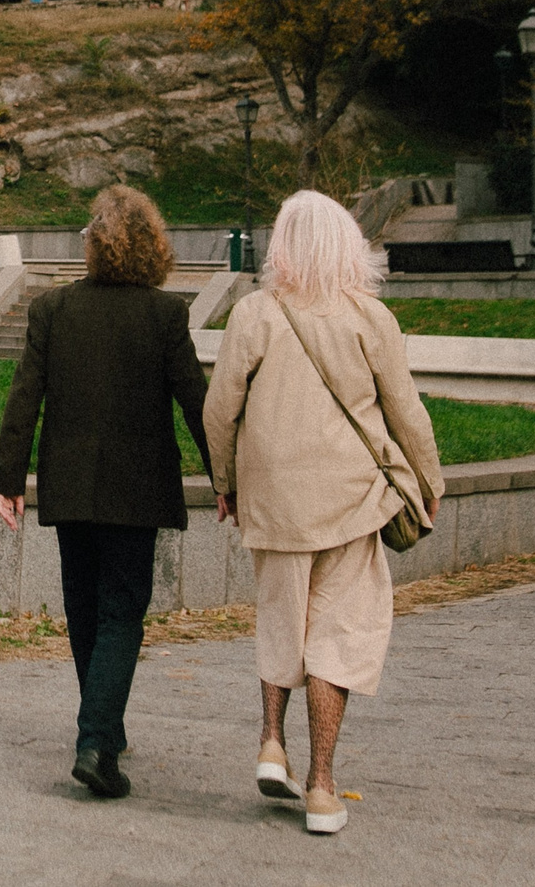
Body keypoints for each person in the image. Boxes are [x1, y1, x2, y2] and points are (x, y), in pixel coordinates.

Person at [204, 190, 445, 837]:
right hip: (351, 500)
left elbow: (218, 407)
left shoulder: (254, 313)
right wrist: (430, 480)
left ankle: (270, 742)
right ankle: (320, 786)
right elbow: (407, 413)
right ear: (349, 247)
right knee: (337, 636)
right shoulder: (371, 318)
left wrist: (224, 481)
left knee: (281, 616)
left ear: (281, 245)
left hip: (274, 499)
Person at [0, 184, 210, 800]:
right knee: (121, 613)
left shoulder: (54, 309)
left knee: (85, 611)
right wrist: (230, 480)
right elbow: (199, 404)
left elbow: (23, 400)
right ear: (151, 247)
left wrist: (9, 479)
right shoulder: (164, 315)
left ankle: (100, 732)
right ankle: (95, 740)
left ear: (97, 246)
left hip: (70, 489)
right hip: (136, 493)